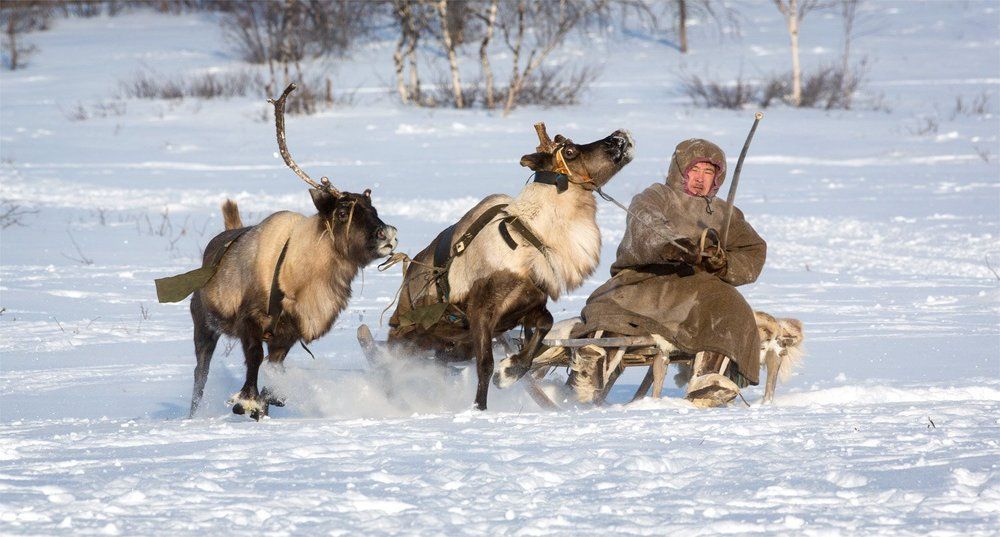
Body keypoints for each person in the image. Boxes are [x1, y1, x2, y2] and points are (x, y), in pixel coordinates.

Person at [572, 138, 767, 407]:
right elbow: (646, 224)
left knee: (730, 305)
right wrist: (673, 246)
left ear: (717, 177)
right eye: (694, 170)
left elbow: (752, 251)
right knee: (611, 311)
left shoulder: (727, 213)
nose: (700, 178)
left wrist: (723, 263)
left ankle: (709, 379)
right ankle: (591, 368)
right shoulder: (656, 196)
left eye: (708, 172)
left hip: (698, 289)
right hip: (644, 280)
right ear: (680, 170)